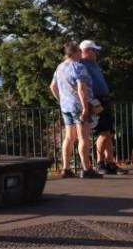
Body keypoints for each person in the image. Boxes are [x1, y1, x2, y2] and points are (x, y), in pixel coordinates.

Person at [50, 42, 102, 179]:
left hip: (66, 107)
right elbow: (81, 89)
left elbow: (52, 86)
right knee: (83, 138)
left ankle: (66, 168)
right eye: (79, 51)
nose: (81, 53)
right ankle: (86, 169)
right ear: (73, 53)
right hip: (79, 107)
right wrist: (85, 107)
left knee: (69, 137)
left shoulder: (60, 67)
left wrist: (61, 100)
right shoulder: (78, 67)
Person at [80, 39, 121, 175]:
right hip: (95, 100)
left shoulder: (94, 64)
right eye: (93, 50)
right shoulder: (81, 64)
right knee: (103, 132)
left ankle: (110, 163)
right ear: (86, 51)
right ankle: (100, 162)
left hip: (103, 99)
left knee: (109, 132)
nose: (96, 53)